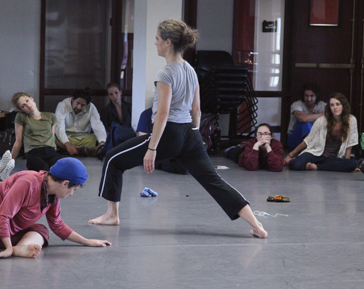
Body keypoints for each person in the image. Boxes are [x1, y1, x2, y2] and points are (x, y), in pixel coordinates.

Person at [88, 19, 267, 239]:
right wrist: (191, 134)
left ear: (168, 42)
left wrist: (152, 148)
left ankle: (111, 215)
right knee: (214, 181)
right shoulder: (191, 71)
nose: (155, 43)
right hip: (189, 133)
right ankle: (257, 225)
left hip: (168, 133)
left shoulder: (165, 74)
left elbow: (162, 114)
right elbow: (197, 110)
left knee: (113, 159)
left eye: (157, 39)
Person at [284, 93, 358, 172]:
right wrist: (291, 154)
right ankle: (315, 165)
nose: (335, 107)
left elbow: (349, 146)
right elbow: (308, 141)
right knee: (296, 165)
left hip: (333, 158)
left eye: (338, 104)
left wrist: (346, 164)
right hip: (316, 154)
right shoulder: (322, 120)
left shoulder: (351, 120)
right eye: (332, 105)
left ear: (343, 105)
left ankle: (317, 167)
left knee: (352, 164)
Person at [11, 92, 61, 172]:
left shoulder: (51, 116)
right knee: (42, 169)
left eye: (27, 100)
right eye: (23, 106)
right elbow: (18, 142)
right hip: (34, 153)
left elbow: (52, 136)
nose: (27, 105)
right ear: (21, 110)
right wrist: (9, 163)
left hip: (50, 151)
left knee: (58, 169)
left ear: (31, 98)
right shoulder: (21, 117)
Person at [55, 89, 106, 157]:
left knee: (103, 136)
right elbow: (59, 127)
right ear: (73, 99)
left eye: (82, 105)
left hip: (85, 138)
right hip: (67, 137)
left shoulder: (91, 107)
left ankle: (73, 151)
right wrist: (68, 144)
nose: (79, 107)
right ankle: (84, 150)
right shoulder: (62, 105)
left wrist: (102, 143)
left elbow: (97, 125)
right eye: (77, 103)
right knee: (52, 137)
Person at [287, 83, 326, 149]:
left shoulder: (322, 105)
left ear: (316, 96)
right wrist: (324, 114)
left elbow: (332, 114)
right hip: (295, 139)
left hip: (316, 138)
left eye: (312, 96)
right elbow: (304, 118)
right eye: (306, 96)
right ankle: (311, 149)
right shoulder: (297, 104)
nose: (309, 99)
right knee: (305, 123)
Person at [99, 82, 135, 155]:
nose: (114, 96)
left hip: (128, 135)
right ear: (109, 96)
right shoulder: (106, 110)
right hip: (114, 138)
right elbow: (105, 128)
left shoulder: (130, 107)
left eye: (116, 93)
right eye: (111, 94)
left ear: (121, 92)